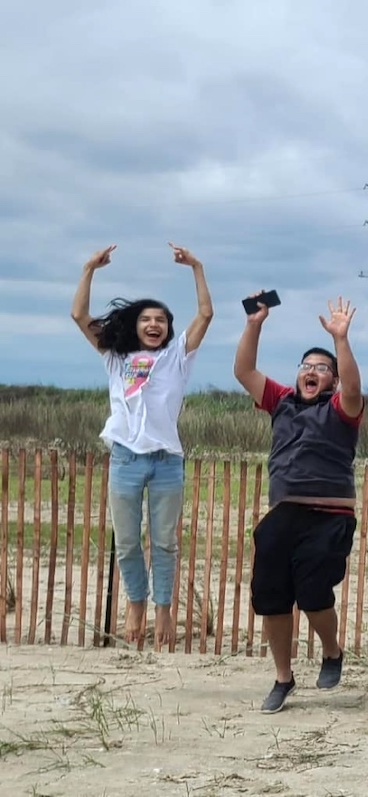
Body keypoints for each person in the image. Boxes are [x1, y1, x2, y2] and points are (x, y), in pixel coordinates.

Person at [70, 243, 214, 648]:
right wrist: (88, 269)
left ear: (168, 328)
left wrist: (196, 266)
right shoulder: (116, 357)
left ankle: (163, 607)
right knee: (128, 540)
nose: (154, 325)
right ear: (135, 325)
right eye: (147, 319)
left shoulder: (177, 358)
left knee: (164, 540)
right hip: (126, 459)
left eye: (161, 320)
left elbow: (205, 314)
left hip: (167, 461)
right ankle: (136, 602)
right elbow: (80, 316)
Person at [233, 295, 364, 714]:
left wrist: (340, 341)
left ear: (332, 380)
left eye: (322, 368)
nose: (312, 371)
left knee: (312, 591)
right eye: (307, 365)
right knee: (270, 594)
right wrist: (255, 324)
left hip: (330, 514)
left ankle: (331, 652)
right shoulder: (281, 401)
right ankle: (283, 678)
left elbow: (355, 386)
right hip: (284, 510)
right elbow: (243, 371)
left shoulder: (342, 408)